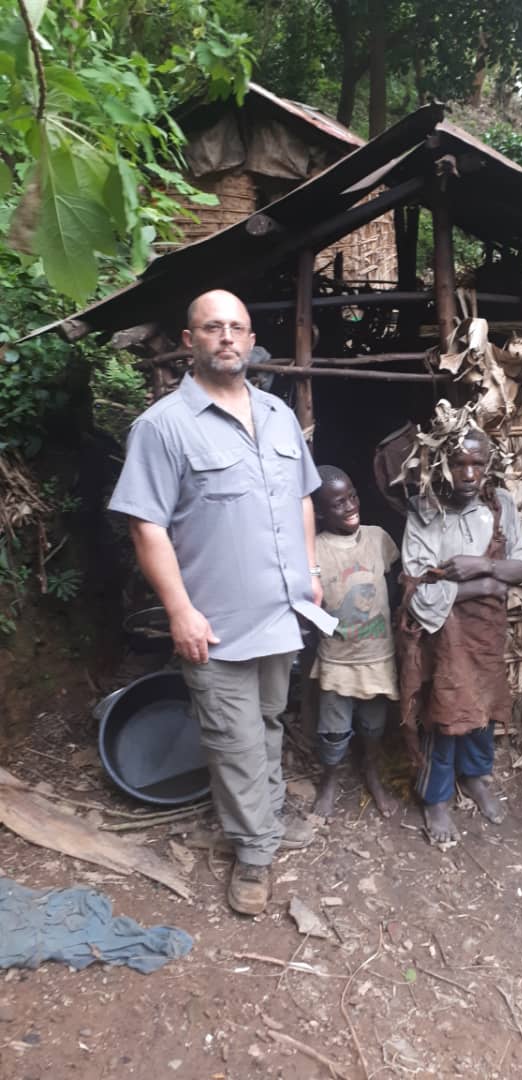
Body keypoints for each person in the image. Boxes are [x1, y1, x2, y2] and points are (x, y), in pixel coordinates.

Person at [109, 289, 335, 916]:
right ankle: (254, 854)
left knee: (265, 723)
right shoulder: (163, 427)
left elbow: (302, 499)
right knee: (233, 739)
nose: (227, 338)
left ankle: (263, 820)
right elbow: (146, 528)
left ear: (251, 336)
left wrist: (310, 570)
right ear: (191, 341)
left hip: (282, 614)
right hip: (216, 622)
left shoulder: (279, 415)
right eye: (213, 328)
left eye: (237, 326)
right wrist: (180, 610)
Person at [398, 418, 522, 845]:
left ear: (490, 464)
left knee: (483, 705)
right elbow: (417, 590)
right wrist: (486, 586)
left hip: (484, 633)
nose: (469, 474)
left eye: (478, 463)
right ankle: (436, 798)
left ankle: (475, 777)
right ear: (441, 462)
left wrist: (486, 566)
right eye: (459, 463)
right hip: (442, 636)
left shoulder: (500, 506)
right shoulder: (424, 510)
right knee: (443, 711)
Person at [310, 466, 400, 819]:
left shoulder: (378, 538)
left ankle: (372, 773)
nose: (349, 506)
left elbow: (390, 583)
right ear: (318, 512)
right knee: (334, 730)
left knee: (374, 724)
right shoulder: (314, 548)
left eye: (352, 496)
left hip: (377, 654)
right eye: (337, 503)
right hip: (336, 657)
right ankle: (330, 777)